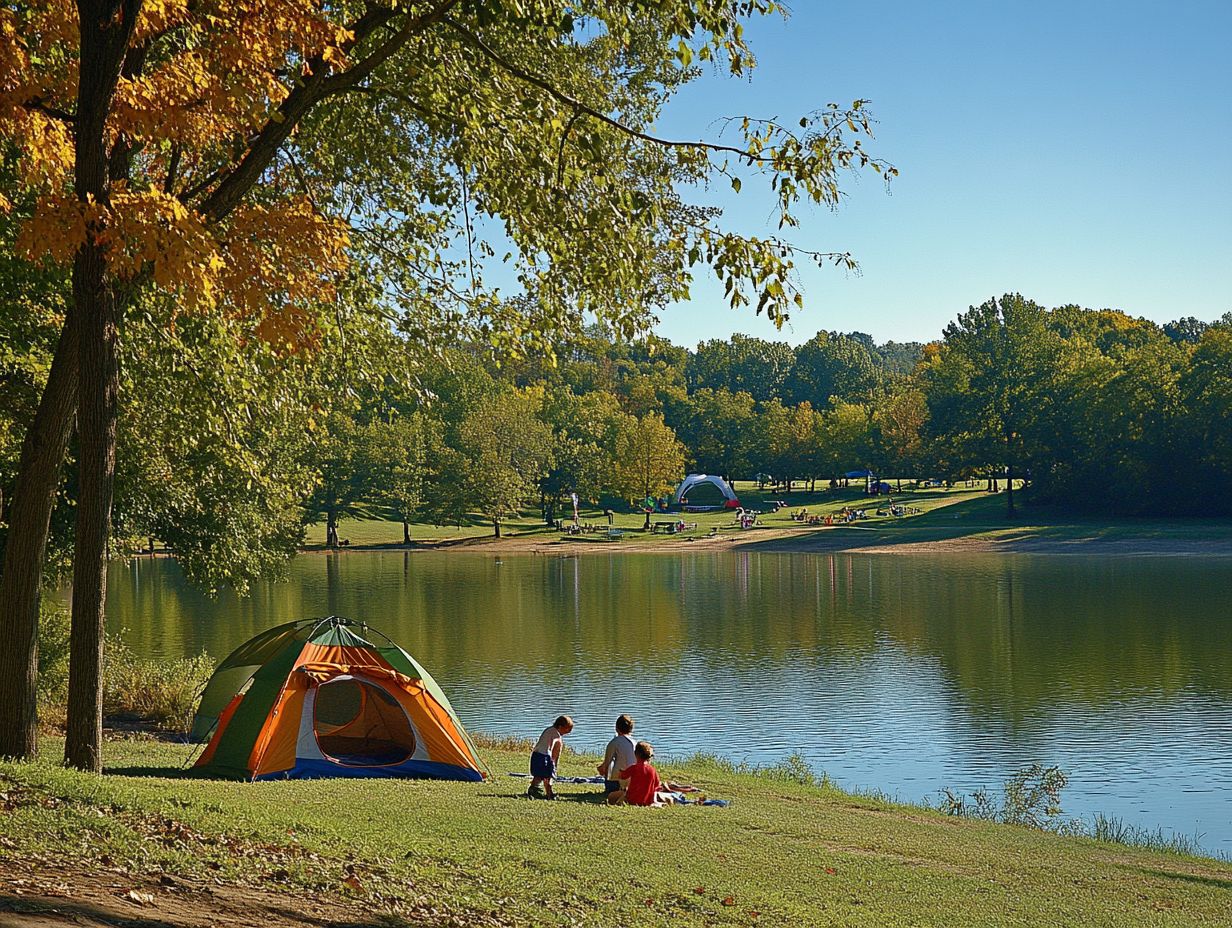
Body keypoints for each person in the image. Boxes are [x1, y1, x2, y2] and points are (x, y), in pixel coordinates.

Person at [528, 715, 573, 800]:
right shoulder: (555, 734)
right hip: (544, 756)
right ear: (560, 727)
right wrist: (552, 763)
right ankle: (549, 794)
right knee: (547, 776)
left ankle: (533, 789)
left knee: (538, 775)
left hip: (536, 754)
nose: (570, 732)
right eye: (568, 729)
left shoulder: (549, 730)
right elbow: (554, 749)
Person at [609, 740, 662, 806]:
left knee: (611, 796)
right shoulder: (653, 770)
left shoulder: (634, 768)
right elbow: (657, 785)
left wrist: (620, 771)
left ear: (635, 754)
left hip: (632, 799)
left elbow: (622, 776)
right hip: (646, 801)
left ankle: (618, 803)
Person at [597, 715, 637, 796]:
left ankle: (610, 789)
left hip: (618, 782)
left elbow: (606, 764)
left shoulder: (614, 742)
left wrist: (600, 769)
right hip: (633, 781)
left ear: (616, 728)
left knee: (609, 766)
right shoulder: (635, 743)